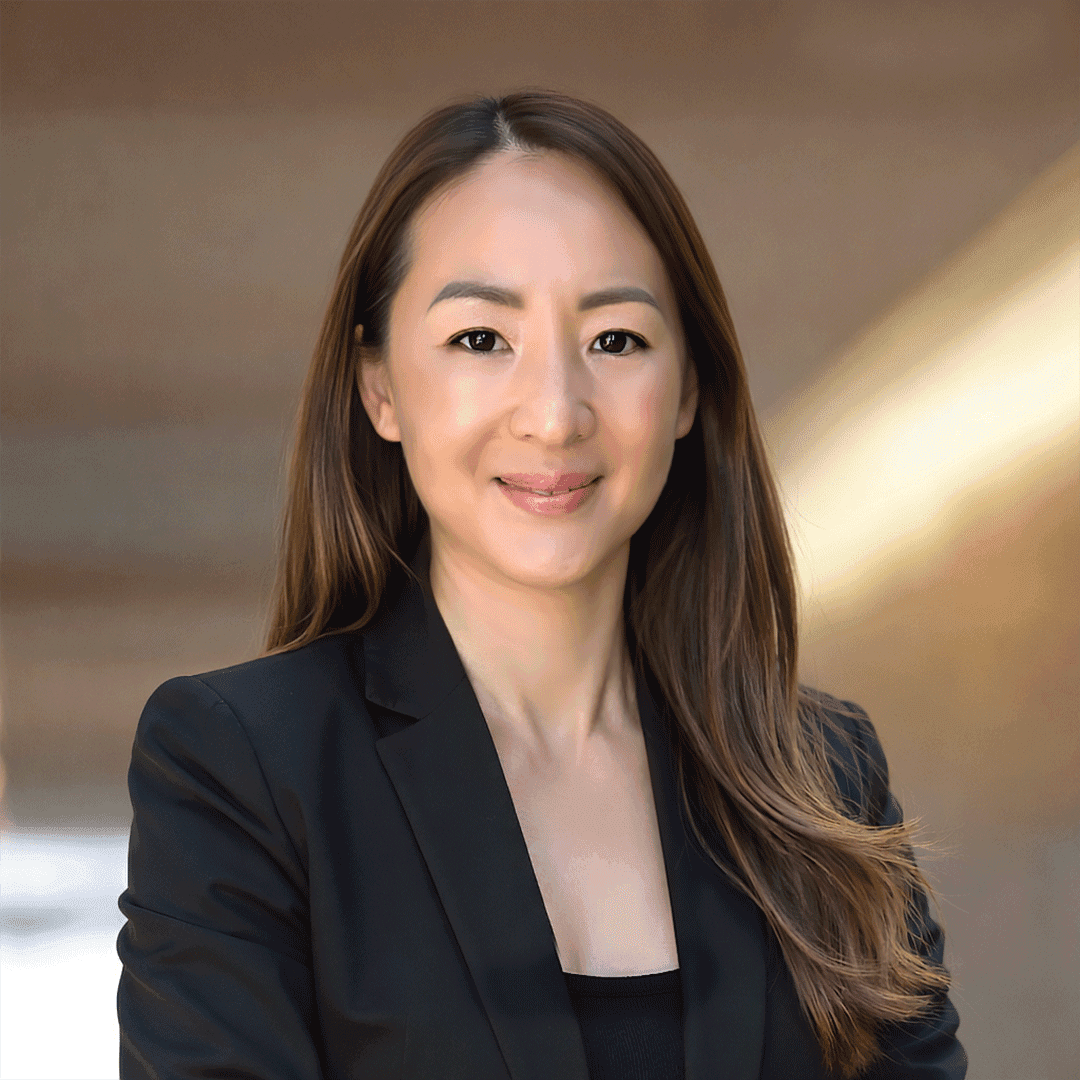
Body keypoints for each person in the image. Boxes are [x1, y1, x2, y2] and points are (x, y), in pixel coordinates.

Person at [116, 89, 966, 1080]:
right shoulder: (245, 768)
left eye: (616, 341)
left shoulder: (824, 777)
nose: (556, 415)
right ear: (380, 388)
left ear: (689, 388)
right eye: (482, 340)